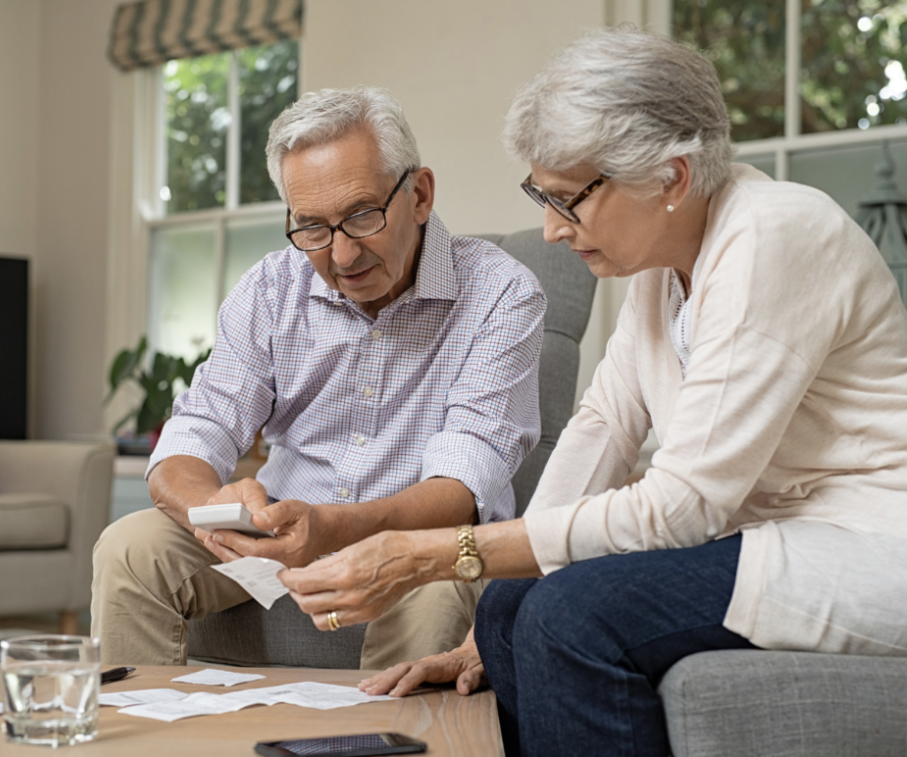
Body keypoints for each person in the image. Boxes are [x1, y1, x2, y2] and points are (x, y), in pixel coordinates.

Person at [277, 29, 907, 757]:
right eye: (541, 196)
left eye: (569, 199)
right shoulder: (662, 270)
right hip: (769, 540)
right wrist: (489, 612)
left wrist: (434, 553)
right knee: (514, 603)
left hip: (867, 547)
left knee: (571, 617)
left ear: (670, 178)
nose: (550, 228)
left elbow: (681, 505)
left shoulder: (775, 235)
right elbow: (603, 424)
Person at [90, 86, 547, 670]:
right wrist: (215, 509)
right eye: (311, 227)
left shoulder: (501, 293)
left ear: (420, 195)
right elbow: (199, 427)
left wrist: (331, 529)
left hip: (419, 543)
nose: (341, 254)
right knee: (130, 549)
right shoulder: (269, 289)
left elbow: (462, 486)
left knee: (439, 584)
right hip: (278, 533)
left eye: (361, 216)